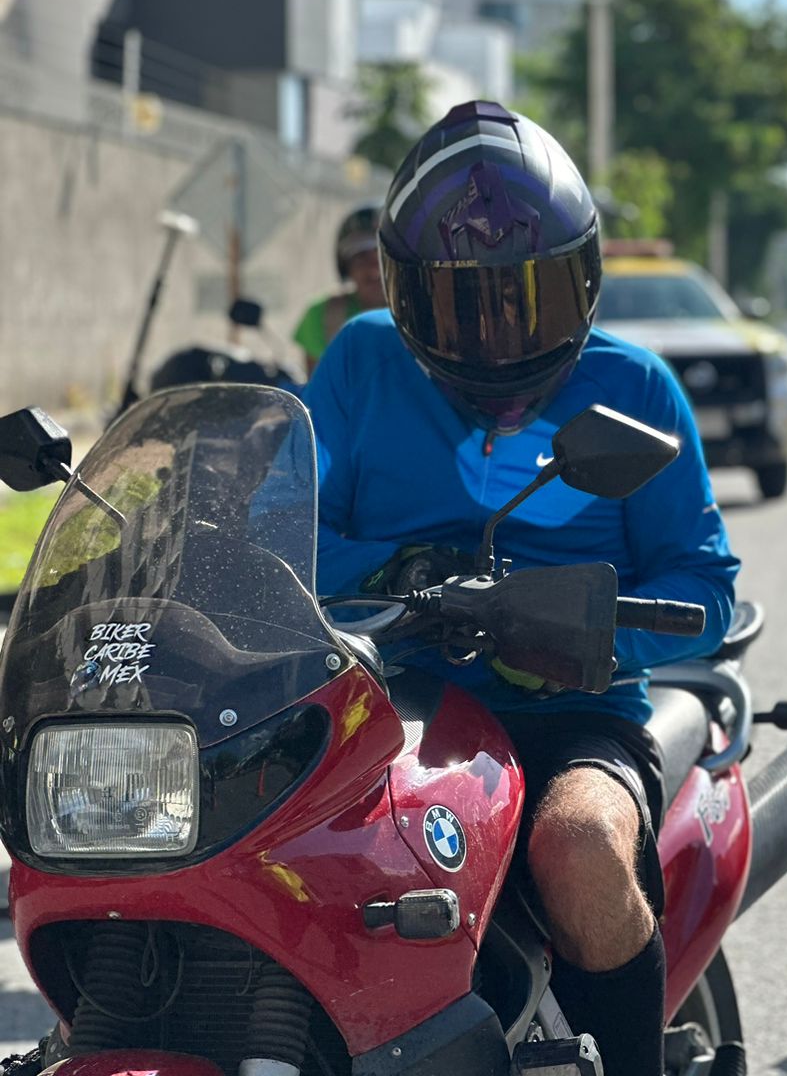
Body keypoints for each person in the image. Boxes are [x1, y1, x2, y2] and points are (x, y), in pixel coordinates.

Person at [302, 100, 740, 1076]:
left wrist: (586, 639)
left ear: (582, 277)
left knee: (579, 846)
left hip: (570, 713)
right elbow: (276, 520)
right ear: (410, 296)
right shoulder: (363, 361)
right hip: (385, 699)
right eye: (465, 303)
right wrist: (389, 569)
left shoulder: (634, 387)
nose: (497, 334)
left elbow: (706, 589)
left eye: (525, 299)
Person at [293, 204, 387, 375]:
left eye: (382, 258)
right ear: (346, 266)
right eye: (361, 258)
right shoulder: (324, 315)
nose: (374, 271)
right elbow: (316, 395)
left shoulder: (430, 316)